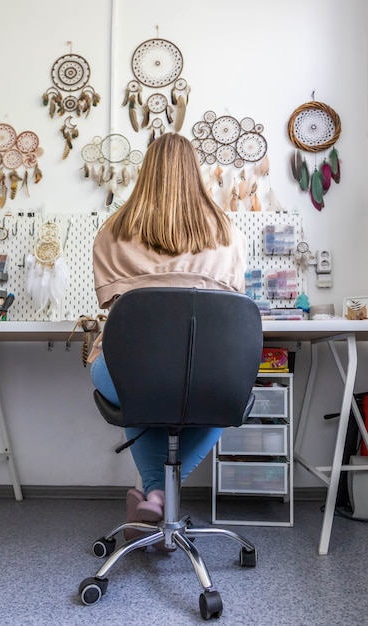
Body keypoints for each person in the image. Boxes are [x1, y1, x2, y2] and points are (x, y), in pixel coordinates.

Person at [89, 132, 248, 548]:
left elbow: (113, 309)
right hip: (208, 371)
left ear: (145, 173)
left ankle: (152, 500)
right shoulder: (227, 231)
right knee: (224, 394)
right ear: (196, 173)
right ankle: (159, 496)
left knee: (140, 385)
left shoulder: (113, 230)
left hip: (127, 370)